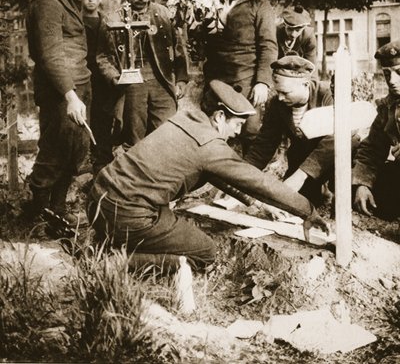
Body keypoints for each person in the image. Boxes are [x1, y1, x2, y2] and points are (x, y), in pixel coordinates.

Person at [87, 80, 329, 271]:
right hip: (130, 215)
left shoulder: (186, 120)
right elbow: (259, 182)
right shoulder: (210, 145)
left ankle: (111, 241)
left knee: (169, 222)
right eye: (237, 124)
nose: (238, 132)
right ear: (220, 116)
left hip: (99, 201)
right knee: (205, 252)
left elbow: (218, 175)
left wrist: (253, 203)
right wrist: (307, 211)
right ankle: (116, 261)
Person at [26, 0, 93, 224]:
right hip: (61, 92)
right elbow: (50, 54)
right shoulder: (47, 3)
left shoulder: (67, 0)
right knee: (55, 151)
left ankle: (57, 212)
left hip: (76, 87)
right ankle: (37, 217)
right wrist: (70, 96)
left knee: (71, 152)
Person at [96, 0, 189, 147]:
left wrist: (181, 78)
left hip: (160, 79)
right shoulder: (113, 18)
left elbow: (179, 47)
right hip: (131, 83)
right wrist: (114, 77)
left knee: (167, 131)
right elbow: (103, 56)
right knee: (134, 135)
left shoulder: (163, 14)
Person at [203, 0, 278, 151]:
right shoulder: (212, 2)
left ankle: (248, 175)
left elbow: (268, 45)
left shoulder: (260, 4)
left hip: (246, 78)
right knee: (213, 129)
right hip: (218, 78)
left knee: (249, 131)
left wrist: (262, 82)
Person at [245, 55, 335, 205]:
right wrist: (238, 179)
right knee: (293, 201)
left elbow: (336, 140)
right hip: (302, 161)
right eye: (278, 92)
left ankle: (330, 188)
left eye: (286, 93)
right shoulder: (276, 104)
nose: (280, 98)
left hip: (332, 160)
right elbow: (263, 146)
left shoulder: (328, 94)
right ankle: (319, 190)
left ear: (305, 84)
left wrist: (301, 175)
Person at [352, 40, 400, 220]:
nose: (392, 81)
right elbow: (372, 149)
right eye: (387, 74)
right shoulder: (388, 107)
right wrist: (362, 184)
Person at [80, 0, 113, 175]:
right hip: (82, 74)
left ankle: (102, 157)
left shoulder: (107, 22)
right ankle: (83, 156)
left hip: (102, 77)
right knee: (84, 115)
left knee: (103, 115)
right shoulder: (76, 20)